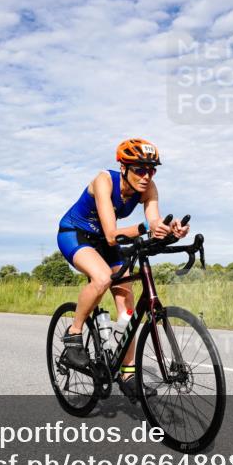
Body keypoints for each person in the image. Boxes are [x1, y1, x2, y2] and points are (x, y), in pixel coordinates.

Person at [56, 138, 189, 401]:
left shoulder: (149, 188)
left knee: (126, 303)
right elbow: (110, 234)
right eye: (140, 169)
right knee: (102, 277)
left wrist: (170, 231)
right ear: (123, 167)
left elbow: (153, 222)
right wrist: (145, 229)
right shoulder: (104, 180)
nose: (146, 176)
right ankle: (74, 334)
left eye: (151, 170)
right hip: (76, 234)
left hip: (111, 240)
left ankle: (127, 373)